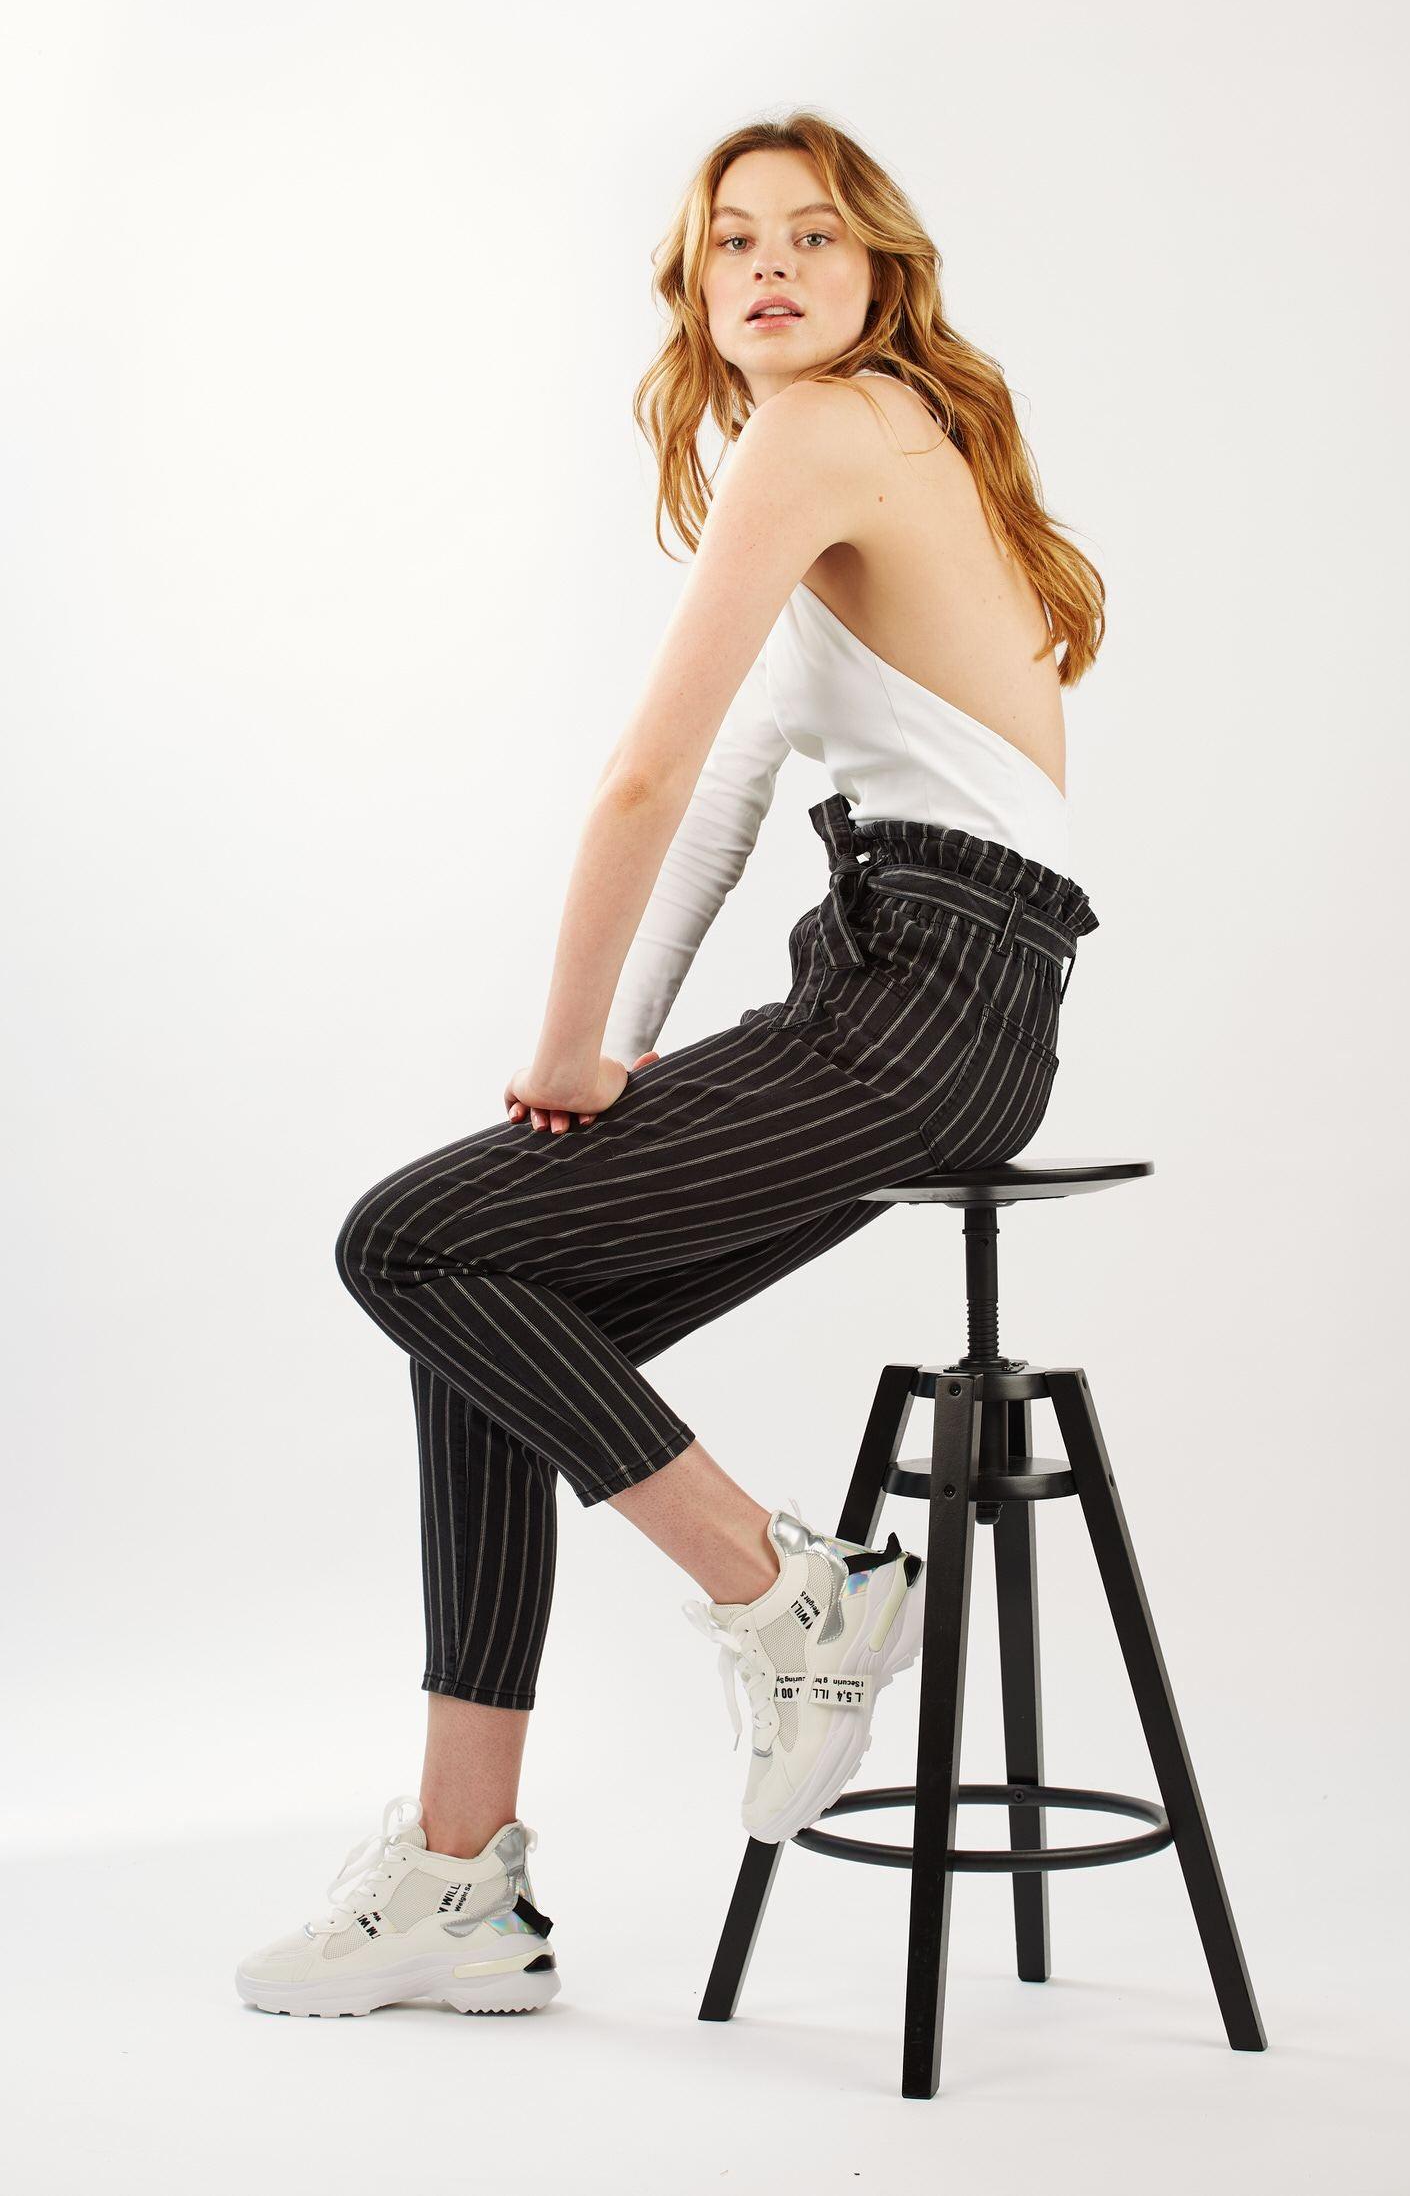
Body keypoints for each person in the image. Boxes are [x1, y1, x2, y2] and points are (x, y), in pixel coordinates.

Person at [235, 111, 1105, 2020]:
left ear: (883, 274)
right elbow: (717, 810)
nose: (770, 265)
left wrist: (555, 1049)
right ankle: (460, 1881)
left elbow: (638, 776)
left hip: (918, 996)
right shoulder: (869, 457)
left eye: (814, 235)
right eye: (734, 241)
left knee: (402, 1236)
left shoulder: (826, 427)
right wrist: (610, 1063)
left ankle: (793, 1593)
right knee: (484, 1316)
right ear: (696, 286)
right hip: (949, 1004)